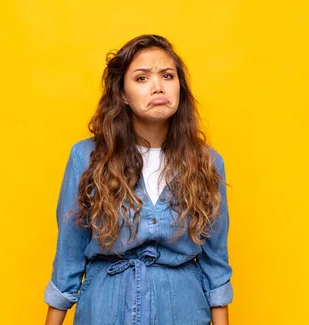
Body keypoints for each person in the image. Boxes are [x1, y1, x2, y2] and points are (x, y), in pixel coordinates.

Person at [44, 34, 233, 325]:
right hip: (105, 310)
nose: (158, 86)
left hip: (183, 310)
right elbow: (68, 253)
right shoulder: (87, 157)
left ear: (179, 87)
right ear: (122, 94)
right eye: (142, 78)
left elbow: (216, 263)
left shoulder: (207, 162)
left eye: (167, 76)